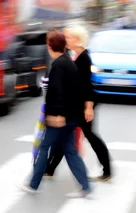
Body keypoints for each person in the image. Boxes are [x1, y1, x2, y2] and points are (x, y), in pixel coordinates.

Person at [20, 29, 91, 198]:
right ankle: (86, 186)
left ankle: (33, 184)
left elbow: (58, 93)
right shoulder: (67, 62)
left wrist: (56, 115)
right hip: (71, 117)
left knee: (44, 147)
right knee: (70, 151)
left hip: (61, 118)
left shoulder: (59, 65)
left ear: (50, 46)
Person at [45, 24, 112, 181]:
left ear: (77, 40)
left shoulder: (84, 58)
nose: (65, 40)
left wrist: (88, 108)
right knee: (66, 134)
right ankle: (49, 169)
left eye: (68, 37)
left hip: (83, 106)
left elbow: (87, 85)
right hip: (77, 105)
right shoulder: (76, 56)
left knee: (89, 137)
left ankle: (107, 170)